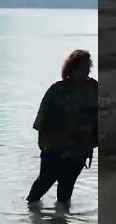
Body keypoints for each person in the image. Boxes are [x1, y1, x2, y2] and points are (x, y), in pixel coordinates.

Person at [26, 49, 97, 210]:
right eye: (82, 67)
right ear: (71, 69)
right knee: (45, 181)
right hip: (54, 146)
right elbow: (42, 117)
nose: (86, 71)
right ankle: (31, 216)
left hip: (80, 148)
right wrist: (42, 141)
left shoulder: (93, 88)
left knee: (66, 189)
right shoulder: (58, 89)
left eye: (88, 67)